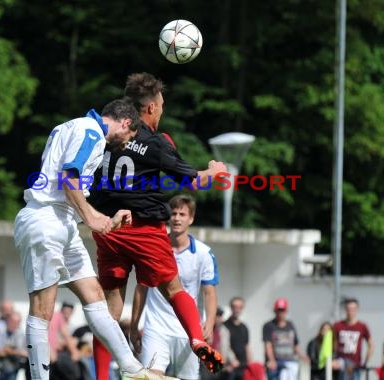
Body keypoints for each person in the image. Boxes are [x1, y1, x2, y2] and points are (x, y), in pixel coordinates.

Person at [14, 98, 174, 380]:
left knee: (94, 294)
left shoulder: (76, 127)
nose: (126, 143)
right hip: (45, 221)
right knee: (43, 308)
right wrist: (91, 217)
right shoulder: (90, 131)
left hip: (62, 222)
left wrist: (99, 216)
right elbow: (68, 177)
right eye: (130, 136)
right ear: (125, 122)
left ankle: (133, 371)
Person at [89, 72, 226, 379]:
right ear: (150, 108)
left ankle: (100, 375)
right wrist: (215, 171)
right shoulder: (157, 142)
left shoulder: (106, 135)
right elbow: (193, 180)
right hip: (144, 229)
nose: (162, 110)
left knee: (109, 309)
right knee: (174, 289)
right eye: (161, 105)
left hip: (108, 229)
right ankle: (197, 339)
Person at [130, 194, 219, 380]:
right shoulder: (152, 247)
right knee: (150, 377)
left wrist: (209, 324)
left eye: (182, 214)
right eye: (174, 213)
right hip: (156, 328)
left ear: (191, 218)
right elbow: (141, 288)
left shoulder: (204, 253)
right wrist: (134, 325)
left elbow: (209, 293)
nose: (177, 218)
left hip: (188, 331)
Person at [262, 298, 309, 380]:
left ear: (286, 311)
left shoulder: (290, 325)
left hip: (290, 362)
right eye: (278, 310)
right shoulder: (269, 326)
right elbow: (268, 345)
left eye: (282, 310)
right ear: (274, 311)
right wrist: (271, 360)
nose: (280, 313)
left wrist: (303, 356)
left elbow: (295, 344)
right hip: (276, 363)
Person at [333, 298, 374, 380]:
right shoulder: (337, 325)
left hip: (355, 364)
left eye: (353, 309)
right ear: (345, 310)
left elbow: (371, 345)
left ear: (357, 310)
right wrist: (333, 359)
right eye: (348, 309)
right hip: (341, 363)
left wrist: (365, 362)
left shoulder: (362, 326)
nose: (350, 311)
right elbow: (332, 343)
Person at [0, 312, 27, 380]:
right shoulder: (1, 331)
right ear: (8, 321)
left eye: (17, 322)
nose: (14, 324)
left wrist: (8, 350)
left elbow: (24, 354)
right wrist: (15, 351)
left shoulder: (21, 334)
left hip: (14, 368)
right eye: (12, 322)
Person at [223, 296, 252, 380]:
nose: (237, 309)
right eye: (235, 307)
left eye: (240, 307)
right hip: (229, 368)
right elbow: (221, 347)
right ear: (231, 308)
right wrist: (227, 363)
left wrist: (250, 363)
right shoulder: (224, 326)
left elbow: (247, 346)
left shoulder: (244, 327)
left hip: (243, 367)